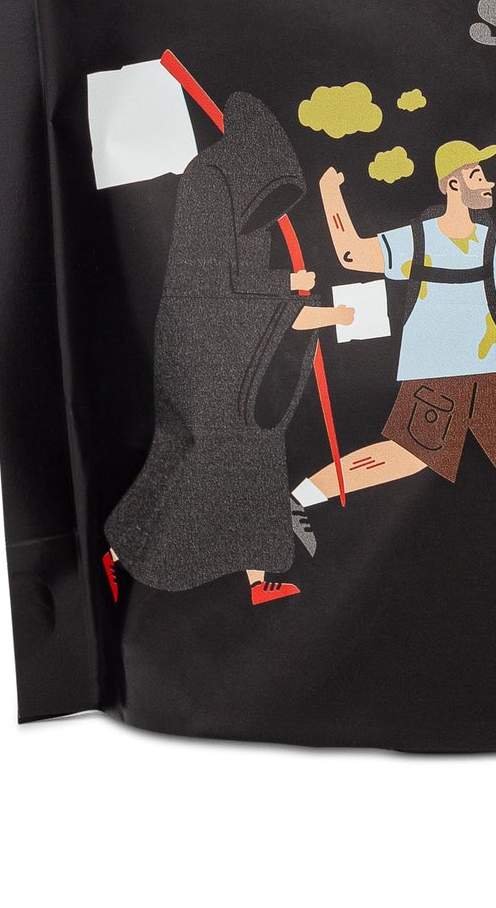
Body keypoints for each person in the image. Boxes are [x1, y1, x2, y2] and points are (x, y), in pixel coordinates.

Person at [289, 138, 496, 625]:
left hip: (481, 378)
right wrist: (329, 193)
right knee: (409, 459)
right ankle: (297, 501)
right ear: (453, 184)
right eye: (478, 175)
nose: (489, 182)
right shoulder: (418, 241)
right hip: (437, 378)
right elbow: (353, 255)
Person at [103, 92, 353, 609]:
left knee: (257, 453)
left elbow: (244, 278)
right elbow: (207, 281)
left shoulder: (243, 199)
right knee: (195, 455)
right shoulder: (209, 181)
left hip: (239, 352)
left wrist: (288, 287)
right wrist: (295, 296)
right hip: (199, 347)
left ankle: (257, 579)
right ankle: (120, 554)